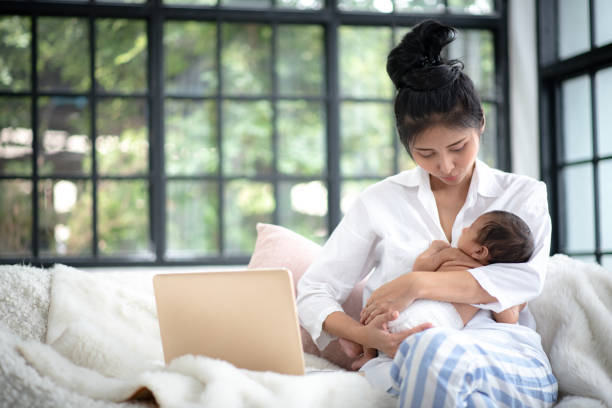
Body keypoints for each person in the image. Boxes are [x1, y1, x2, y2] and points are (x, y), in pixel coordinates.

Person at [296, 19, 558, 407]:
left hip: (504, 356)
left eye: (458, 147)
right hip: (402, 356)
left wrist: (414, 284)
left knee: (436, 354)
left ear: (480, 123)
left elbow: (522, 279)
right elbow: (314, 291)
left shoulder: (522, 194)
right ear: (407, 146)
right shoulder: (379, 201)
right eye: (426, 154)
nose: (447, 166)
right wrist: (364, 334)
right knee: (428, 355)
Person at [340, 210, 534, 367]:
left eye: (471, 228)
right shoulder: (491, 282)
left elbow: (420, 269)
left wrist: (434, 250)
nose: (465, 228)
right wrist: (515, 304)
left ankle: (368, 354)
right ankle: (375, 352)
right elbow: (508, 321)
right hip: (438, 324)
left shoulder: (452, 255)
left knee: (378, 316)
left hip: (414, 313)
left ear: (479, 251)